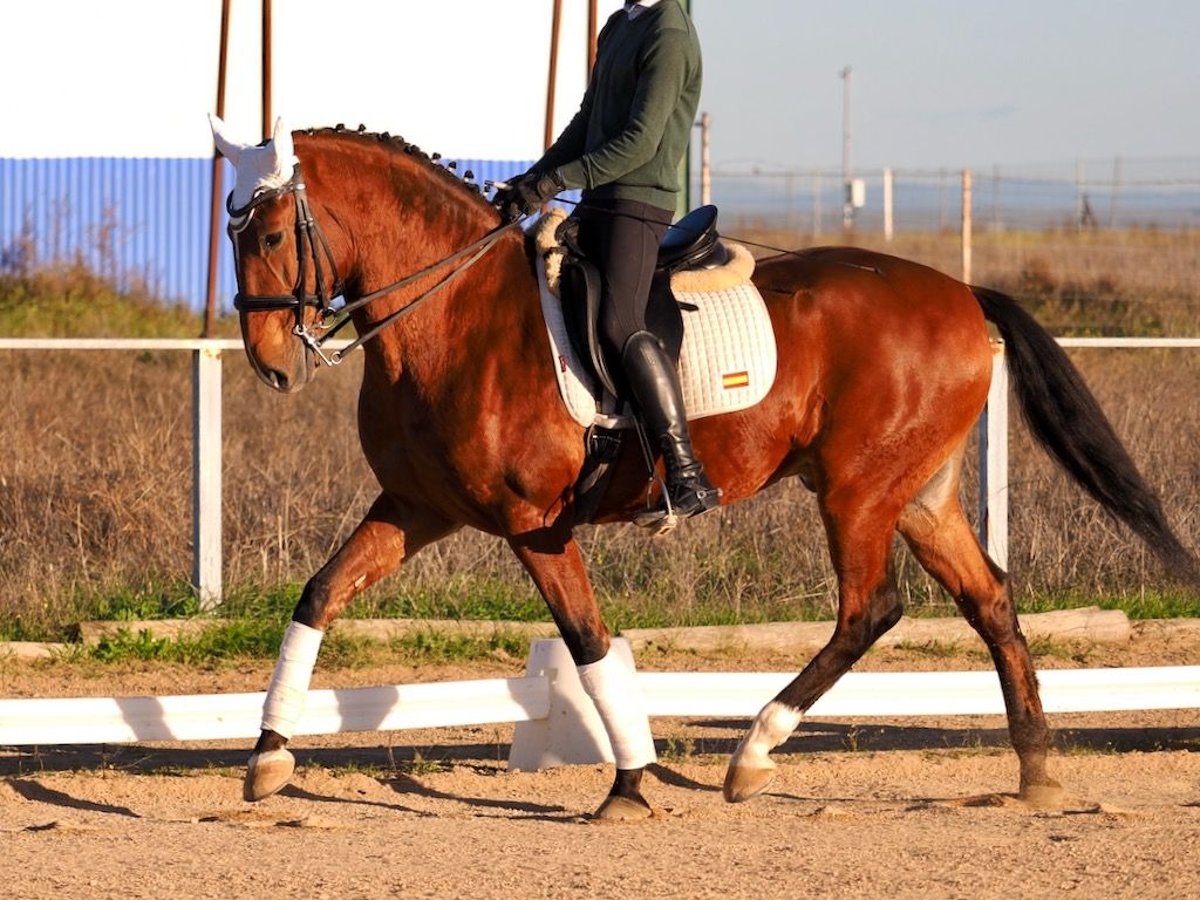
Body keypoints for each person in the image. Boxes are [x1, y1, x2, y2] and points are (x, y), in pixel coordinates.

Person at [495, 0, 718, 525]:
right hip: (599, 196)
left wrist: (556, 182)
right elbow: (586, 120)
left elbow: (639, 142)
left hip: (638, 200)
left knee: (620, 324)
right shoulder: (619, 25)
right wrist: (534, 177)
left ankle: (687, 473)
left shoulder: (670, 32)